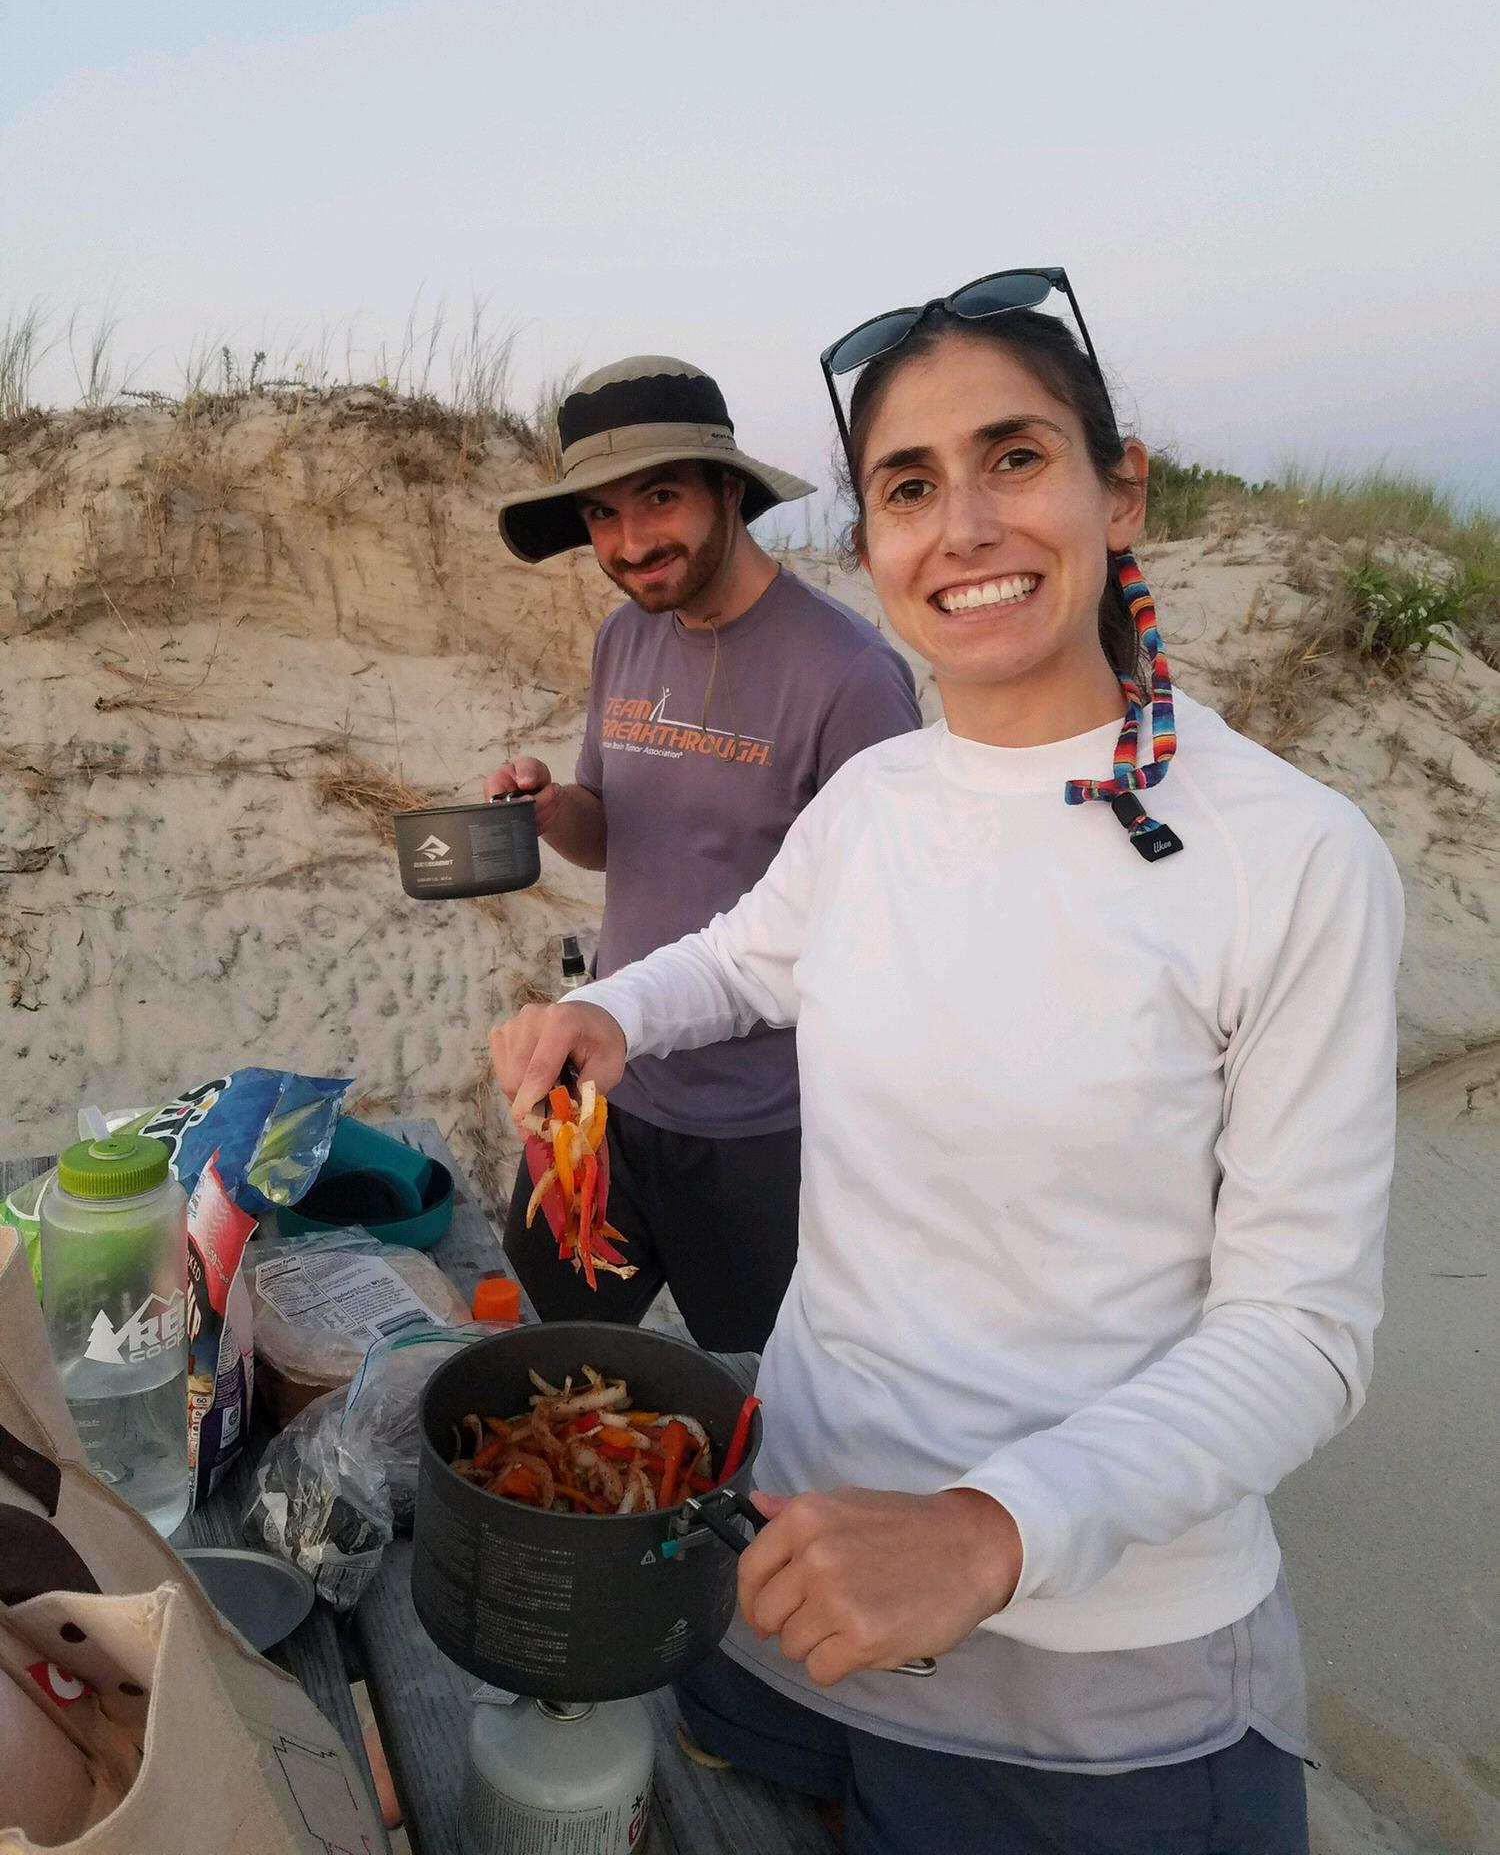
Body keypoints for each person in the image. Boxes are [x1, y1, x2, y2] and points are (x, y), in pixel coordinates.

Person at [490, 273, 1404, 1854]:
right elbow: (745, 954)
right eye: (910, 486)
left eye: (1017, 459)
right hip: (795, 1566)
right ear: (872, 536)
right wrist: (610, 1016)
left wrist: (993, 1530)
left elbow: (1303, 1333)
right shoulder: (880, 800)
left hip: (1091, 1663)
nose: (963, 524)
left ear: (1120, 491)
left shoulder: (1295, 858)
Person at [488, 355, 921, 1351]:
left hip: (761, 1130)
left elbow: (889, 932)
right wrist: (554, 807)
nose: (629, 542)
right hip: (601, 1090)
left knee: (767, 1403)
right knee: (542, 1361)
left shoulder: (848, 675)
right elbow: (613, 835)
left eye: (659, 497)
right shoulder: (624, 641)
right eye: (599, 513)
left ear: (731, 488)